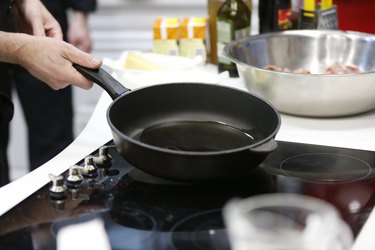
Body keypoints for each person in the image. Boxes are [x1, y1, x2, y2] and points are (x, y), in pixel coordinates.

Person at [0, 0, 102, 186]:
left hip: (40, 12)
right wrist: (18, 48)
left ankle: (56, 207)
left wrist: (80, 14)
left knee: (54, 144)